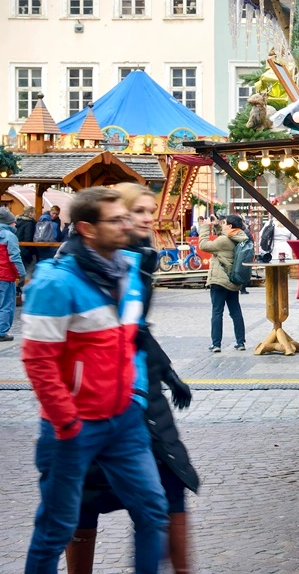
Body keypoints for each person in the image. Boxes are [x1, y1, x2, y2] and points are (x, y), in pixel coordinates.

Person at [21, 187, 168, 574]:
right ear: (87, 229)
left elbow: (132, 340)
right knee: (55, 529)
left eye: (126, 217)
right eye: (116, 220)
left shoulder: (129, 271)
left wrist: (136, 395)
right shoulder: (54, 283)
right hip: (73, 427)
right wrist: (67, 422)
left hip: (123, 421)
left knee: (154, 511)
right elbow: (39, 363)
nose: (127, 225)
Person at [66, 184, 199, 574]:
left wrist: (166, 372)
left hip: (143, 397)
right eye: (138, 211)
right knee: (85, 498)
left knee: (171, 486)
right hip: (100, 400)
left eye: (150, 210)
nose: (147, 218)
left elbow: (137, 329)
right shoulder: (93, 266)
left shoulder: (137, 262)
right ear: (114, 217)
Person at [199, 215, 249, 353]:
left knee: (217, 312)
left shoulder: (223, 240)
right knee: (235, 312)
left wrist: (205, 227)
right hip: (232, 280)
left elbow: (203, 245)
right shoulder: (241, 237)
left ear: (231, 226)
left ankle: (216, 344)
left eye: (224, 223)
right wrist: (216, 226)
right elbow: (225, 235)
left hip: (219, 281)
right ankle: (240, 342)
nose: (223, 224)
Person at [0, 208, 27, 341]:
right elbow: (15, 258)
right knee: (6, 304)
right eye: (13, 222)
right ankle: (1, 332)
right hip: (5, 276)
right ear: (8, 222)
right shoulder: (9, 236)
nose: (15, 225)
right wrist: (22, 275)